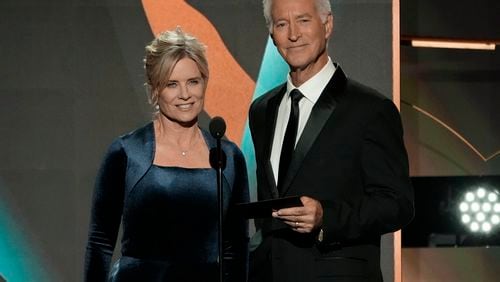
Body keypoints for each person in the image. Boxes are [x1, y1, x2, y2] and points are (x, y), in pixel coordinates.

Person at [248, 0, 415, 281]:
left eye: (303, 20)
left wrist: (327, 216)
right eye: (281, 24)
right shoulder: (262, 110)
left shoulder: (370, 108)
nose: (293, 34)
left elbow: (397, 204)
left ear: (327, 25)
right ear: (271, 35)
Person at [84, 28, 249, 282]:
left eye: (193, 81)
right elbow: (100, 242)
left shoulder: (228, 157)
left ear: (205, 81)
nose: (185, 94)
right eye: (172, 84)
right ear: (154, 89)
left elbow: (235, 249)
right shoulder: (127, 152)